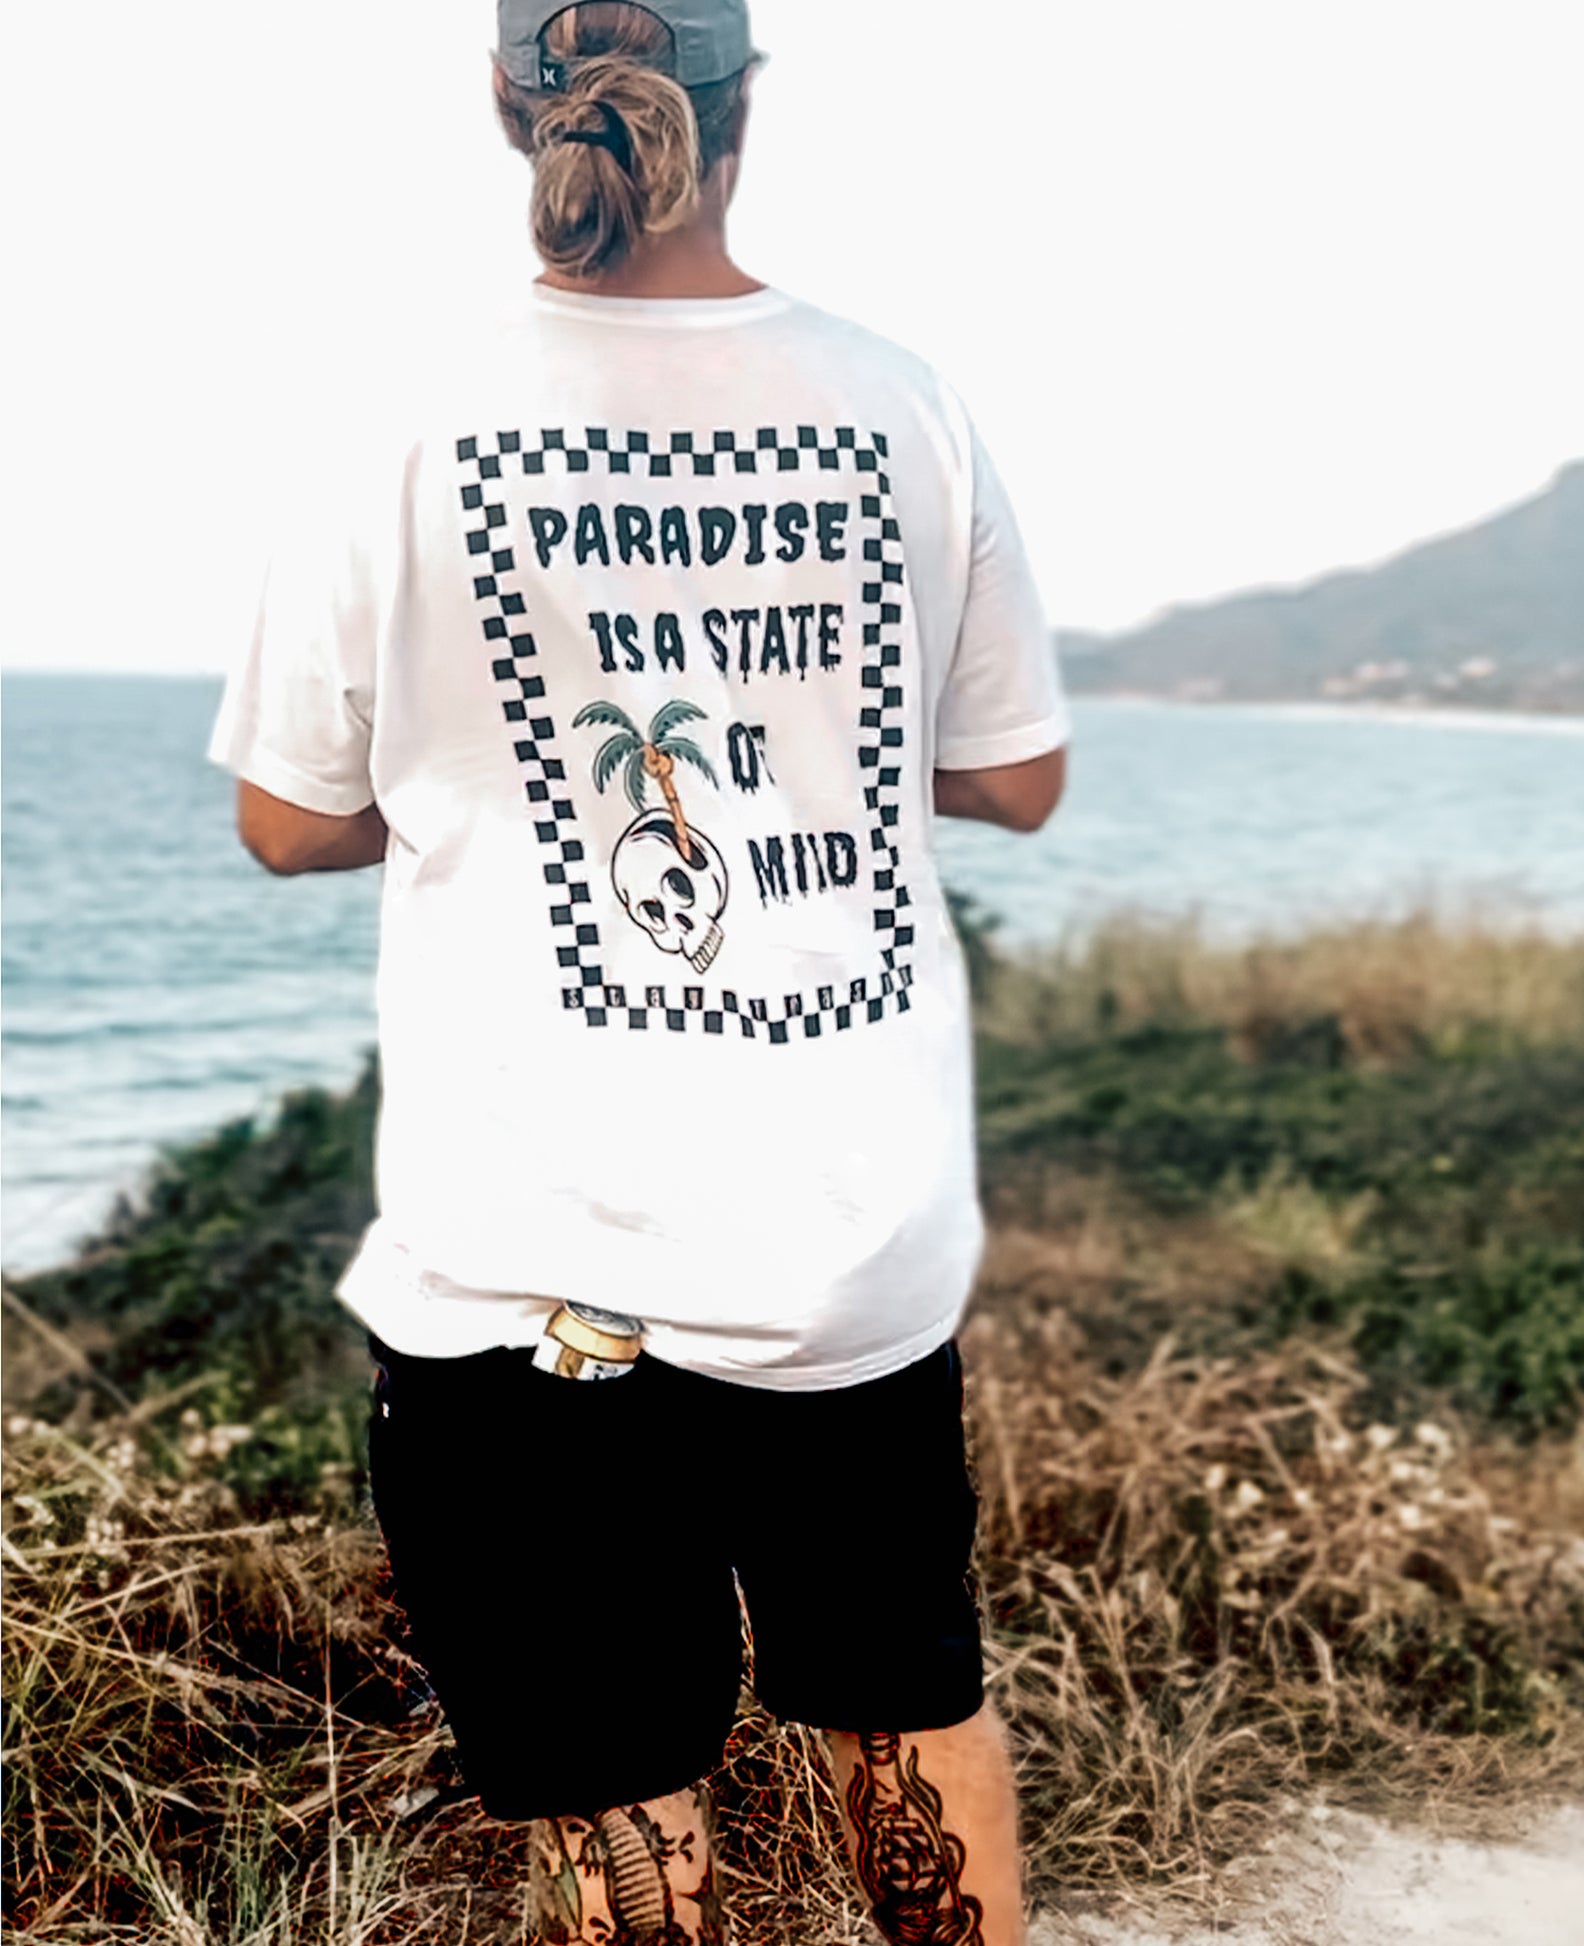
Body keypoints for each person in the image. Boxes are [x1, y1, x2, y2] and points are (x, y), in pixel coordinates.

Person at [206, 3, 1068, 1940]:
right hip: (851, 1230)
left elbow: (286, 817)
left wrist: (470, 791)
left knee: (619, 1782)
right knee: (903, 1691)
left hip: (540, 1255)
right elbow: (1011, 773)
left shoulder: (401, 409)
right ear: (748, 104)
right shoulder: (895, 395)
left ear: (504, 102)